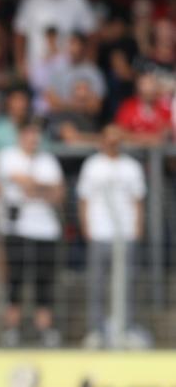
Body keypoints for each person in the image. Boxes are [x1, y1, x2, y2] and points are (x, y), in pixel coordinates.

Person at [0, 122, 65, 347]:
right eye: (29, 134)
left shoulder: (48, 160)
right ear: (20, 135)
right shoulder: (8, 156)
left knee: (43, 282)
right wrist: (44, 188)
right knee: (15, 280)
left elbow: (58, 193)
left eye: (37, 134)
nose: (33, 139)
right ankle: (12, 328)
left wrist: (35, 187)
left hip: (46, 230)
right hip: (17, 229)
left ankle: (44, 328)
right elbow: (19, 181)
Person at [76, 124, 146, 348]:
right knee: (97, 284)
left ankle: (124, 328)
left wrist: (137, 227)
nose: (113, 143)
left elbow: (138, 201)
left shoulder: (132, 167)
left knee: (126, 283)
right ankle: (96, 331)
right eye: (109, 138)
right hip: (99, 231)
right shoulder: (92, 166)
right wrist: (86, 225)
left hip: (124, 233)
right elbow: (83, 199)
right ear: (102, 140)